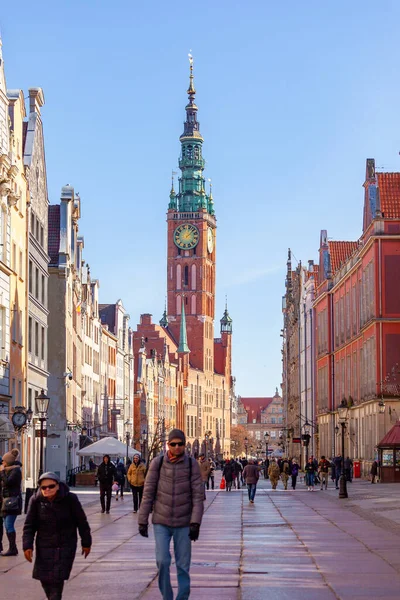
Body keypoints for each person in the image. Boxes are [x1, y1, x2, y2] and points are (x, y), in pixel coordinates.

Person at [138, 429, 204, 600]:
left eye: (180, 444)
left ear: (184, 445)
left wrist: (195, 523)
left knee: (183, 565)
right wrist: (142, 520)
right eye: (173, 444)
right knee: (162, 561)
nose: (176, 447)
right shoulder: (157, 463)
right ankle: (167, 597)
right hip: (161, 521)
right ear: (168, 445)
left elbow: (198, 496)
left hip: (184, 522)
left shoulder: (191, 465)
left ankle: (182, 597)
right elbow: (148, 493)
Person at [23, 472, 91, 600]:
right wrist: (27, 545)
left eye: (51, 486)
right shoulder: (36, 501)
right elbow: (29, 526)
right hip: (44, 546)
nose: (47, 489)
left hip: (65, 545)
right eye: (43, 487)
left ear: (58, 486)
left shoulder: (70, 499)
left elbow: (82, 522)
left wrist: (86, 542)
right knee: (45, 580)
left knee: (56, 581)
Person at [0, 448, 22, 556]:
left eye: (4, 461)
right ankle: (12, 547)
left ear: (7, 461)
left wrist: (2, 472)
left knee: (9, 525)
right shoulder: (10, 470)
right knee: (6, 524)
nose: (2, 463)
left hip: (12, 502)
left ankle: (13, 548)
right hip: (7, 501)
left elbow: (7, 483)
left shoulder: (15, 471)